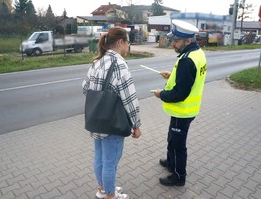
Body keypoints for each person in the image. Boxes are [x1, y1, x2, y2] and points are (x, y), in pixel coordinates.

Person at [82, 27, 142, 199]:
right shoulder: (120, 64)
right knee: (110, 161)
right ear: (121, 42)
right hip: (113, 122)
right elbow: (129, 98)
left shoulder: (97, 61)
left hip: (96, 119)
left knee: (100, 158)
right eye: (128, 42)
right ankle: (110, 195)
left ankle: (102, 189)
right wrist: (136, 125)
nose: (128, 46)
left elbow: (85, 88)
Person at [152, 19, 207, 186]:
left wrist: (161, 94)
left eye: (176, 41)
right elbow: (190, 78)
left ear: (188, 41)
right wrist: (172, 75)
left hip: (182, 110)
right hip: (185, 110)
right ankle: (171, 162)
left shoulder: (187, 60)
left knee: (178, 145)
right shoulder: (197, 53)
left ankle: (178, 176)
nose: (172, 43)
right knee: (172, 138)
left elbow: (179, 94)